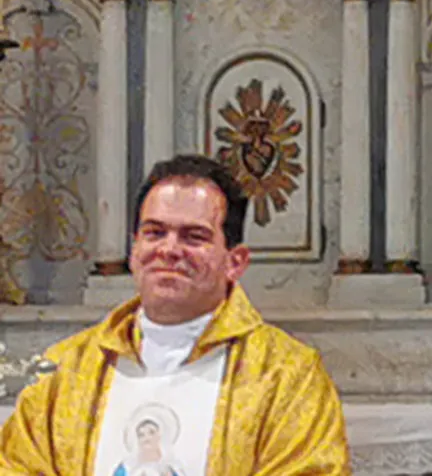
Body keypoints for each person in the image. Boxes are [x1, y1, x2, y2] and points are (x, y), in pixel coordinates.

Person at [0, 154, 351, 475]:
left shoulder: (287, 376)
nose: (168, 250)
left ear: (235, 262)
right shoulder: (64, 370)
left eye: (193, 237)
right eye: (154, 233)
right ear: (134, 249)